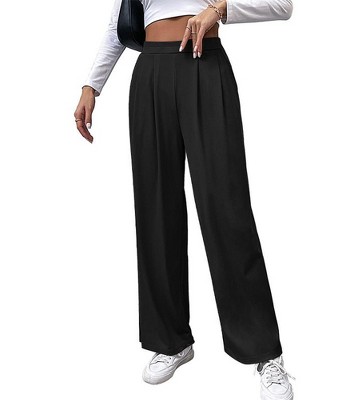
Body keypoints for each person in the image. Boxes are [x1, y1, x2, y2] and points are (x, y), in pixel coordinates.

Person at [74, 1, 295, 399]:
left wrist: (220, 10)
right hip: (150, 73)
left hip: (204, 66)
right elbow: (117, 24)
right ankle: (169, 339)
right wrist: (92, 85)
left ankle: (264, 352)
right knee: (155, 208)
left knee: (226, 208)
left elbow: (282, 5)